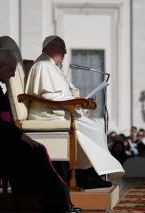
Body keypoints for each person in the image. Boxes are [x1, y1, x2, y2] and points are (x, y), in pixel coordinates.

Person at [0, 48, 81, 213]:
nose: (12, 75)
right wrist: (20, 136)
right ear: (1, 66)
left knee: (40, 152)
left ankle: (55, 204)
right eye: (11, 70)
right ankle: (56, 206)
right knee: (36, 153)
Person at [25, 35, 124, 187]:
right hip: (46, 114)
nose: (65, 53)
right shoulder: (43, 65)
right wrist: (77, 103)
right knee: (94, 129)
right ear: (51, 48)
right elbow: (47, 96)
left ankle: (90, 174)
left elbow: (61, 93)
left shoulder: (52, 66)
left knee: (96, 125)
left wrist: (78, 103)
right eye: (62, 49)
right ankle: (87, 175)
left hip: (57, 111)